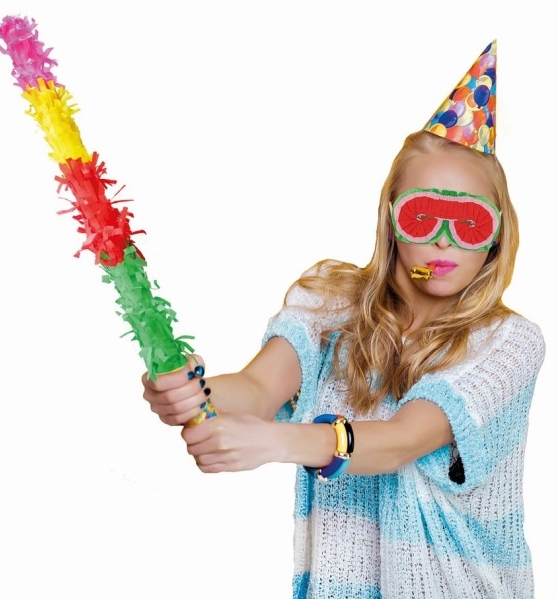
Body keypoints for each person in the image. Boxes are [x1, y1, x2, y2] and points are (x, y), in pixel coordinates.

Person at [141, 40, 545, 598]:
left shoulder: (509, 344)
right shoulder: (327, 303)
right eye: (423, 216)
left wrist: (275, 442)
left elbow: (402, 440)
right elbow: (257, 389)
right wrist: (192, 391)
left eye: (468, 222)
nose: (443, 242)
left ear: (496, 235)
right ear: (391, 221)